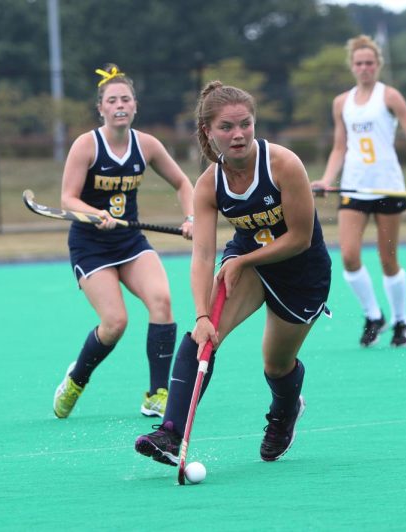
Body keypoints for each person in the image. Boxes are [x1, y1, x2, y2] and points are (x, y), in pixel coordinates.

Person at [135, 81, 332, 466]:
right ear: (208, 132)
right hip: (248, 264)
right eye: (226, 127)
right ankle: (170, 433)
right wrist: (202, 315)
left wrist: (242, 261)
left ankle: (285, 412)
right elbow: (203, 253)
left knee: (276, 364)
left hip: (301, 271)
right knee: (202, 337)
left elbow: (301, 238)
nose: (238, 134)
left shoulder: (284, 165)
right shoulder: (209, 184)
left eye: (245, 124)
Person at [52, 64, 195, 419]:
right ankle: (77, 379)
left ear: (135, 106)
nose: (119, 105)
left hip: (130, 242)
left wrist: (191, 217)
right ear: (100, 107)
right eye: (112, 100)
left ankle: (157, 394)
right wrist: (93, 213)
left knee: (162, 301)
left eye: (126, 99)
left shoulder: (146, 145)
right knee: (115, 323)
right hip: (91, 245)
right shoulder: (86, 145)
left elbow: (183, 183)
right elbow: (67, 199)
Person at [312, 35, 406, 348]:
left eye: (369, 63)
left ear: (378, 65)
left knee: (387, 259)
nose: (364, 68)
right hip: (354, 186)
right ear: (352, 67)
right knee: (349, 255)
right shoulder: (341, 103)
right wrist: (327, 179)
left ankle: (401, 322)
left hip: (387, 187)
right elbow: (340, 146)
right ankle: (373, 316)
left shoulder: (390, 97)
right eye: (359, 63)